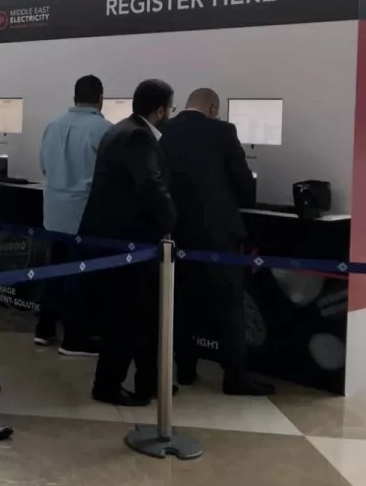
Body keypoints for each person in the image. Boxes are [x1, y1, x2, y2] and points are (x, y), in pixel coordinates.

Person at [160, 88, 273, 396]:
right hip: (218, 235)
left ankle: (185, 368)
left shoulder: (164, 131)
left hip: (178, 232)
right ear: (212, 107)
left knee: (182, 303)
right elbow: (244, 185)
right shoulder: (223, 131)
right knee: (229, 305)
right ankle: (235, 376)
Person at [84, 79, 177, 407]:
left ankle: (150, 380)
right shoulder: (139, 137)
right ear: (160, 110)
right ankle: (107, 385)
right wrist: (170, 222)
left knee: (141, 315)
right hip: (130, 241)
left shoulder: (120, 129)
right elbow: (150, 185)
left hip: (116, 239)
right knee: (127, 316)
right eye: (170, 108)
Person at [36, 75, 112, 355]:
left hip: (53, 213)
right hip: (84, 215)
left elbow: (44, 166)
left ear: (74, 97)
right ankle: (74, 339)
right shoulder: (105, 129)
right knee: (80, 278)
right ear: (100, 99)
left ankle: (44, 330)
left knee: (53, 271)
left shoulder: (53, 125)